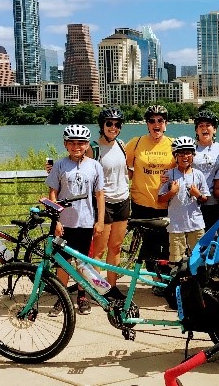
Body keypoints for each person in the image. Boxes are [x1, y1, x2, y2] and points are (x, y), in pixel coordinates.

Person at [45, 124, 105, 316]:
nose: (76, 146)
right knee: (63, 262)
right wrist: (56, 220)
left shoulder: (95, 166)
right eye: (72, 143)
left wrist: (100, 220)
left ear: (87, 145)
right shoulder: (60, 165)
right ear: (65, 144)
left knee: (82, 262)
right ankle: (62, 297)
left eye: (81, 143)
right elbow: (53, 192)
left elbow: (99, 195)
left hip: (86, 222)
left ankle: (82, 296)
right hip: (64, 224)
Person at [125, 105, 175, 283]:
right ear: (147, 124)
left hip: (167, 204)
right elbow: (119, 165)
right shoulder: (136, 143)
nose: (156, 124)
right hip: (142, 204)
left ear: (165, 124)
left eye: (160, 120)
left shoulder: (173, 144)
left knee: (168, 244)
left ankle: (165, 278)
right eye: (152, 120)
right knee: (149, 245)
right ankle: (154, 280)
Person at [87, 107, 130, 297]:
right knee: (99, 251)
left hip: (122, 200)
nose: (113, 127)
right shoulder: (93, 148)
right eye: (109, 124)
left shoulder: (121, 144)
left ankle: (111, 287)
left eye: (117, 124)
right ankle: (97, 289)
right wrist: (53, 168)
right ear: (102, 125)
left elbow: (124, 172)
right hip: (103, 204)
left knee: (116, 247)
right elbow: (78, 167)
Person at [158, 136, 209, 262]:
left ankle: (197, 280)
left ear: (193, 155)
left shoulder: (198, 174)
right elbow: (160, 199)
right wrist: (172, 192)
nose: (184, 157)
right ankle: (177, 281)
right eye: (180, 154)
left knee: (199, 258)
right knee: (176, 260)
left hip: (196, 224)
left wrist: (197, 194)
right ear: (175, 155)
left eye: (188, 153)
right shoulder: (169, 175)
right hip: (176, 226)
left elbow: (205, 199)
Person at [192, 110, 219, 231]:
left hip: (217, 203)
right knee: (196, 241)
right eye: (201, 126)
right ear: (196, 130)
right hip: (194, 203)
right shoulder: (190, 149)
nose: (204, 129)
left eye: (208, 125)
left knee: (216, 240)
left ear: (215, 129)